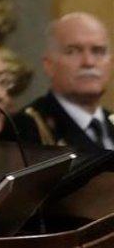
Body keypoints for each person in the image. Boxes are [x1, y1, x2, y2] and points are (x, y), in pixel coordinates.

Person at [12, 13, 113, 151]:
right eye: (73, 51)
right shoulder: (25, 128)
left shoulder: (110, 122)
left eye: (98, 51)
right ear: (49, 65)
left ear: (111, 63)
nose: (89, 62)